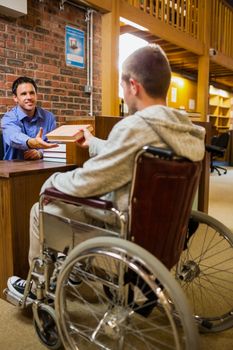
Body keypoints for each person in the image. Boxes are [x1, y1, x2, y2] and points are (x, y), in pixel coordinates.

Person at [7, 44, 206, 298]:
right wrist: (94, 143)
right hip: (165, 225)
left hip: (122, 223)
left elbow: (90, 181)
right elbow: (131, 153)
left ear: (134, 86)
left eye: (123, 87)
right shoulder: (185, 129)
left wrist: (52, 181)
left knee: (42, 206)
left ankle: (37, 288)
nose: (123, 93)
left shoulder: (135, 127)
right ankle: (76, 269)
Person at [1, 76, 58, 160]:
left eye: (32, 93)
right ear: (15, 98)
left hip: (44, 168)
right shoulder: (8, 118)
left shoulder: (49, 117)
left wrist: (40, 153)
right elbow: (13, 137)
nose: (29, 97)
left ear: (36, 95)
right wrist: (32, 142)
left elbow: (55, 145)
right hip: (13, 169)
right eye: (24, 94)